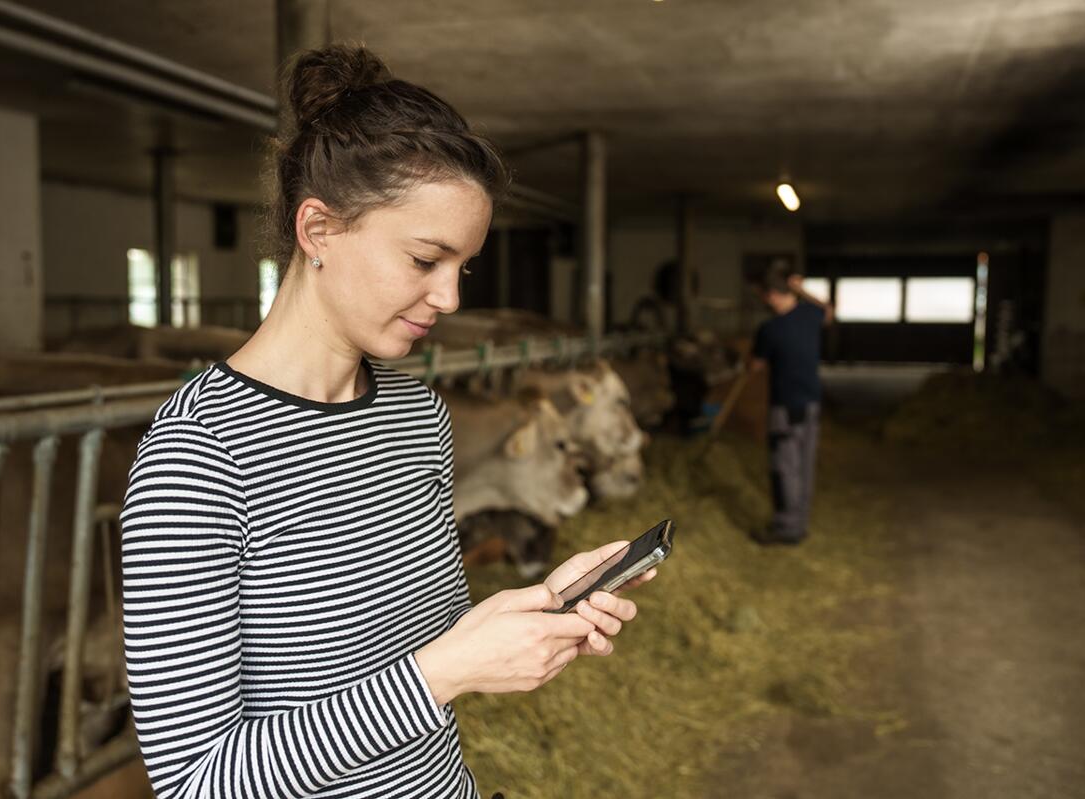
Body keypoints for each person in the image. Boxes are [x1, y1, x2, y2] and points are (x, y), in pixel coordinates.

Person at [120, 45, 654, 799]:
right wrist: (447, 673)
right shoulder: (198, 455)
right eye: (424, 259)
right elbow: (195, 778)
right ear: (319, 230)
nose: (450, 298)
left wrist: (540, 607)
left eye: (461, 267)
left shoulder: (414, 414)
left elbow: (413, 645)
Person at [747, 261, 832, 545]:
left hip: (785, 407)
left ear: (771, 294)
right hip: (811, 403)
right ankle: (799, 523)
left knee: (785, 466)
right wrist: (802, 290)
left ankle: (786, 528)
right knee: (804, 465)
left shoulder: (769, 329)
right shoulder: (810, 313)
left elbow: (756, 366)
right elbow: (829, 309)